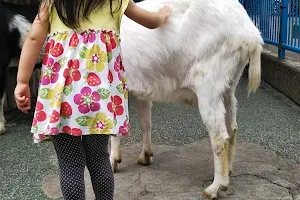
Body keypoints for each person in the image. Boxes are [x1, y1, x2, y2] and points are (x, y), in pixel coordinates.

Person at [14, 0, 172, 199]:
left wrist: (22, 81)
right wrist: (162, 16)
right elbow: (151, 21)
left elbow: (34, 38)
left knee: (69, 162)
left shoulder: (52, 2)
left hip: (62, 98)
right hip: (100, 98)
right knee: (99, 158)